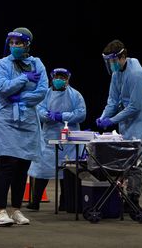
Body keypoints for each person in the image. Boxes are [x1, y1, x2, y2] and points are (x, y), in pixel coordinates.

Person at [0, 27, 48, 226]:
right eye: (11, 42)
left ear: (27, 44)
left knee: (23, 166)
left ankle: (16, 209)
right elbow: (2, 89)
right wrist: (24, 79)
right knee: (8, 165)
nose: (14, 46)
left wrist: (20, 97)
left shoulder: (37, 64)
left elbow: (42, 91)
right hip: (6, 120)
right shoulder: (2, 64)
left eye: (18, 43)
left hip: (27, 121)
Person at [96, 39, 142, 211]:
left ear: (122, 57)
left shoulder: (136, 74)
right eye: (108, 62)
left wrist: (112, 120)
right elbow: (113, 100)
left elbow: (134, 107)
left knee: (136, 162)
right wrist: (103, 116)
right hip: (125, 122)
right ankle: (123, 196)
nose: (111, 65)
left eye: (113, 61)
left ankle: (134, 198)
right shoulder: (116, 73)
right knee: (125, 162)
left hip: (138, 123)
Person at [26, 68, 87, 211]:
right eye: (57, 76)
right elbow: (38, 111)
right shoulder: (45, 94)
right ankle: (35, 201)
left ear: (68, 79)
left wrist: (61, 116)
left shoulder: (75, 95)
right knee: (41, 169)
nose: (60, 79)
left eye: (63, 77)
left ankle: (65, 203)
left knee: (67, 171)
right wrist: (47, 115)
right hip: (49, 138)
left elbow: (81, 114)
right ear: (52, 77)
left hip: (69, 140)